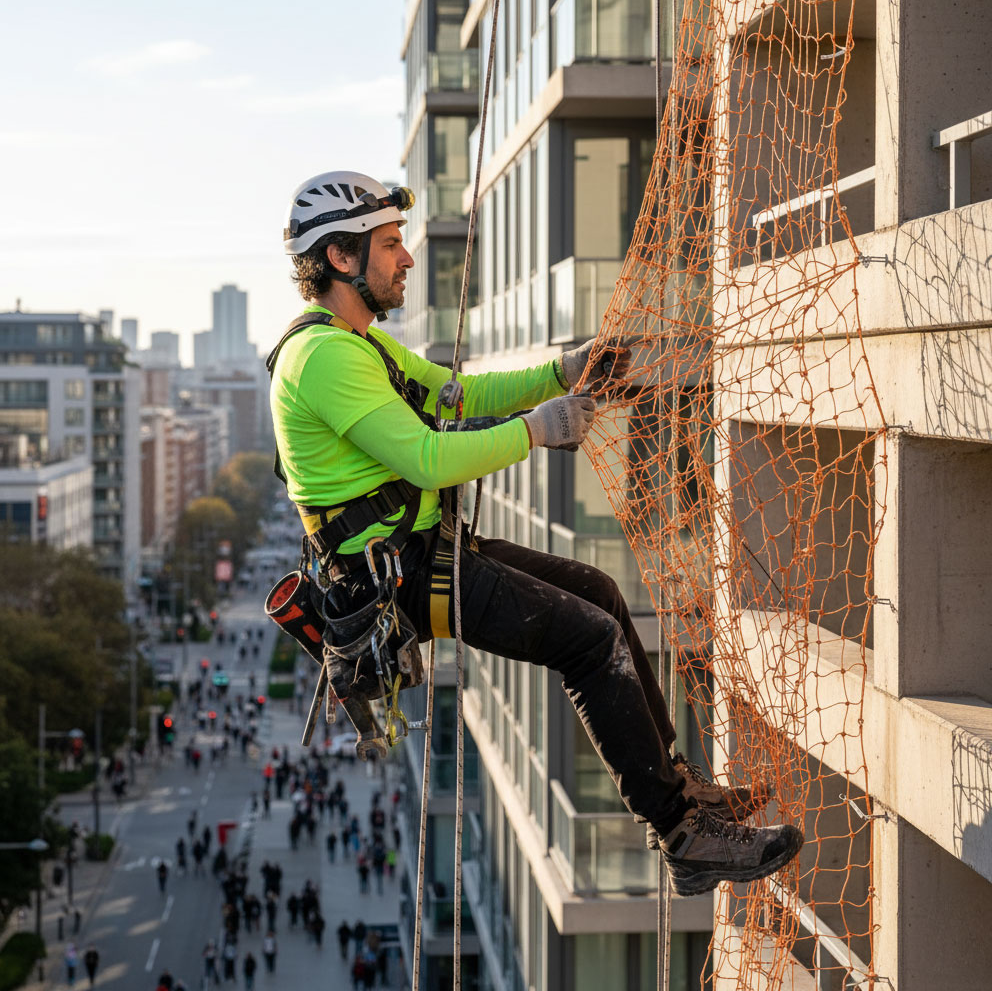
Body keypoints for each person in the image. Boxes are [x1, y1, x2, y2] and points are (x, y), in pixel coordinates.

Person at [268, 170, 804, 897]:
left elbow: (459, 394)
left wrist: (561, 372)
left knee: (602, 594)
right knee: (590, 639)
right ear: (340, 258)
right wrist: (535, 431)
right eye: (390, 244)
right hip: (402, 580)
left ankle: (679, 787)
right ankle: (683, 835)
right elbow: (426, 455)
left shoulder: (360, 345)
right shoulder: (323, 357)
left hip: (426, 554)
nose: (408, 260)